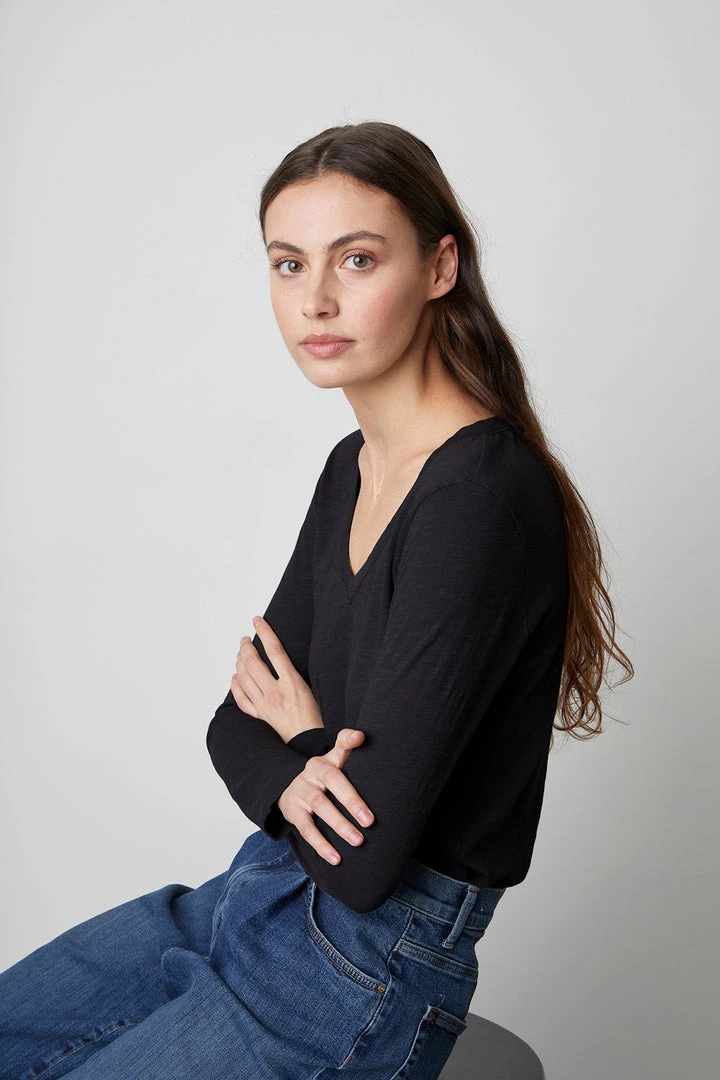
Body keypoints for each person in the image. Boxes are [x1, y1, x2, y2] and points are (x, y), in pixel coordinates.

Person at [0, 121, 634, 1079]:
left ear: (440, 267)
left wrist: (298, 736)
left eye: (358, 259)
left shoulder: (480, 498)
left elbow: (364, 864)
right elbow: (229, 723)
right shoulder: (354, 466)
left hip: (362, 963)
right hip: (249, 892)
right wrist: (301, 764)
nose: (317, 300)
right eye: (289, 264)